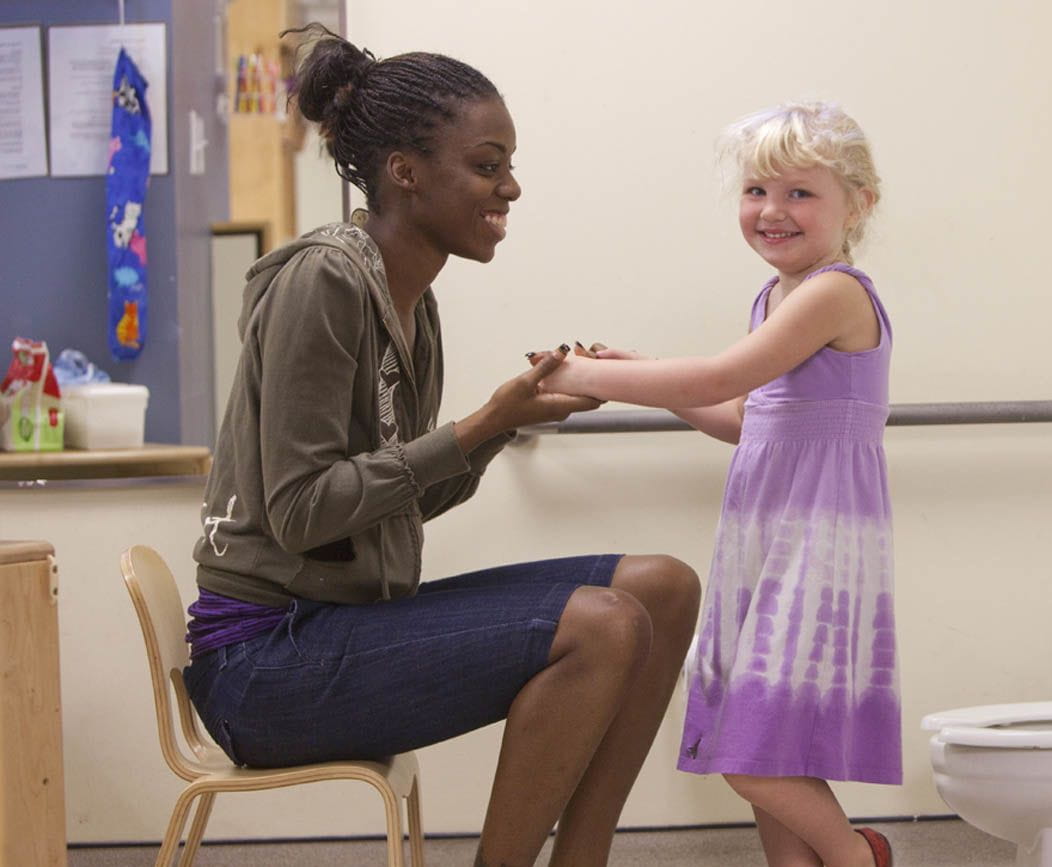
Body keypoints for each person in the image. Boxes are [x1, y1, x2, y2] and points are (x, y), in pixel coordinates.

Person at [183, 25, 700, 867]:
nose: (512, 187)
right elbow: (303, 511)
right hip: (263, 661)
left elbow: (407, 499)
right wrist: (485, 422)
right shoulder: (323, 281)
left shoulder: (409, 298)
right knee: (600, 625)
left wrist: (513, 422)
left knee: (664, 588)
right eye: (488, 164)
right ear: (405, 172)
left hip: (343, 621)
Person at [538, 102, 900, 867]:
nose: (771, 210)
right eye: (755, 191)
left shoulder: (834, 293)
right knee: (772, 740)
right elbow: (741, 413)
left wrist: (582, 373)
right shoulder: (777, 296)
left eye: (799, 192)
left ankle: (856, 855)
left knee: (750, 748)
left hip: (816, 536)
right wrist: (646, 375)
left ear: (857, 203)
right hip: (766, 535)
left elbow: (721, 374)